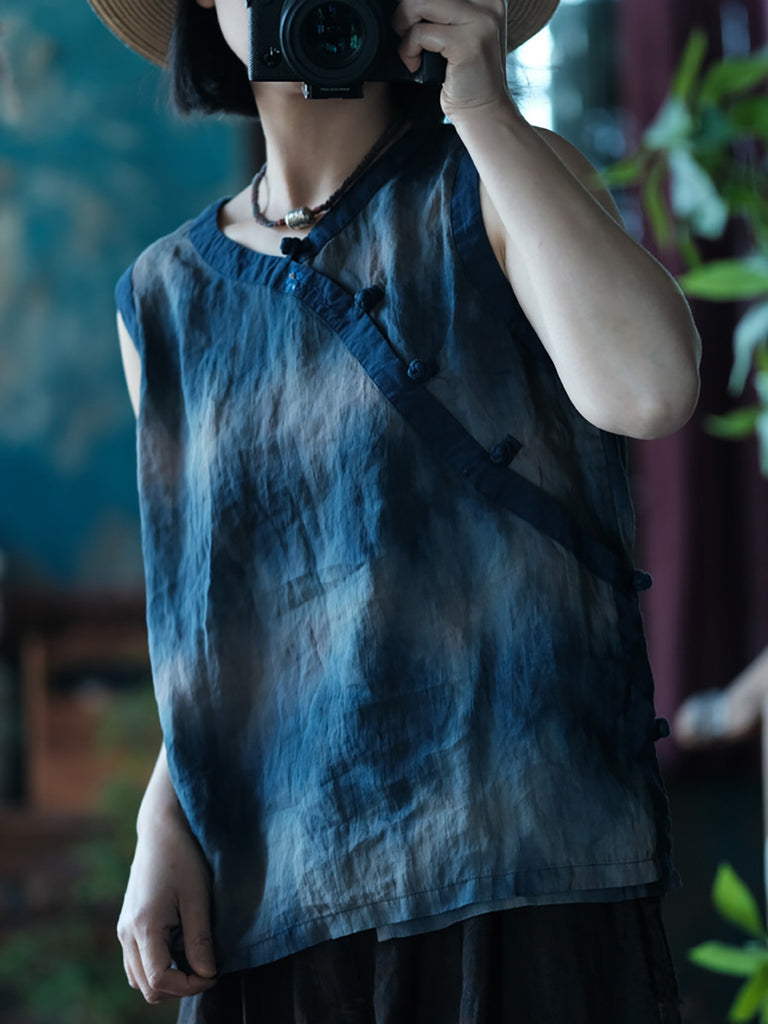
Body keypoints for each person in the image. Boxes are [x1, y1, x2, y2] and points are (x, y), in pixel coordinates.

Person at [87, 0, 702, 1020]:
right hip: (279, 899)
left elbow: (651, 389)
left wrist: (487, 112)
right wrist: (167, 821)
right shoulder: (163, 296)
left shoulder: (500, 181)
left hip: (521, 865)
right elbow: (223, 612)